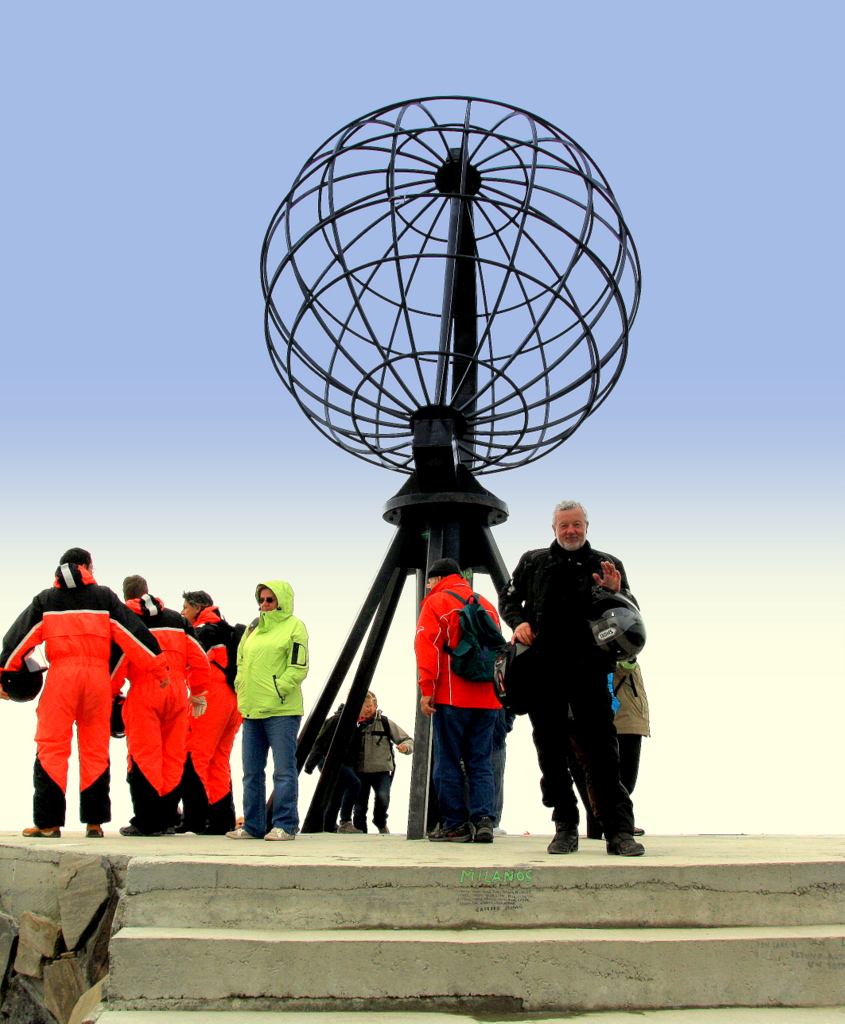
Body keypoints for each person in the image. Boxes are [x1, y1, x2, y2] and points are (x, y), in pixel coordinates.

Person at [499, 501, 645, 857]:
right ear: (554, 529)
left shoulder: (607, 564)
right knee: (550, 753)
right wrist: (518, 622)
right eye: (564, 525)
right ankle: (565, 826)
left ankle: (618, 831)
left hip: (590, 671)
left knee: (603, 752)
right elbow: (508, 600)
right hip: (543, 671)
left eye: (576, 524)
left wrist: (616, 591)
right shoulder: (533, 562)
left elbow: (630, 613)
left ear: (586, 526)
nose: (571, 531)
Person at [0, 548, 167, 838]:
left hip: (61, 679)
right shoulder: (104, 597)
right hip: (97, 680)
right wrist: (159, 668)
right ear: (88, 566)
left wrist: (4, 674)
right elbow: (133, 633)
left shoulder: (46, 600)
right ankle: (94, 823)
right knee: (95, 748)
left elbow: (18, 639)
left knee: (52, 746)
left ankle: (48, 824)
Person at [415, 557, 502, 844]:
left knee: (448, 760)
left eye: (430, 581)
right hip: (488, 696)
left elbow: (428, 646)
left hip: (452, 696)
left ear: (438, 579)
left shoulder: (436, 602)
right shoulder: (485, 603)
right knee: (480, 760)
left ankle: (455, 824)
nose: (428, 585)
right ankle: (484, 820)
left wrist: (427, 688)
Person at [116, 576, 211, 837]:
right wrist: (199, 691)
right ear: (147, 591)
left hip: (144, 691)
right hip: (178, 692)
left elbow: (120, 660)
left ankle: (146, 821)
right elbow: (200, 659)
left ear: (126, 596)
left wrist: (112, 694)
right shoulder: (177, 620)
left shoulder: (127, 620)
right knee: (173, 757)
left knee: (142, 756)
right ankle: (168, 818)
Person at [226, 580, 308, 842]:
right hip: (252, 710)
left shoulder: (295, 626)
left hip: (282, 711)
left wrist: (278, 689)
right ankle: (253, 826)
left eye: (269, 600)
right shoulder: (253, 627)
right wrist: (240, 685)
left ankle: (285, 825)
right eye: (261, 599)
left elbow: (298, 666)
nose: (264, 604)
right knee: (251, 773)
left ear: (281, 601)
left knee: (283, 772)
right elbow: (240, 660)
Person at [178, 590, 243, 834]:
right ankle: (221, 819)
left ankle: (194, 818)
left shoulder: (203, 631)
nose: (182, 612)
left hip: (210, 696)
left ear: (197, 608)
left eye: (185, 607)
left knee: (194, 754)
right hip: (234, 699)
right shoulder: (229, 631)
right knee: (219, 760)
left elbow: (192, 663)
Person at [568, 659, 650, 839]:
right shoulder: (606, 652)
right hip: (615, 719)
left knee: (620, 778)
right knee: (613, 778)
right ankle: (612, 824)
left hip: (626, 718)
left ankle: (607, 823)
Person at [351, 690, 413, 835]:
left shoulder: (385, 723)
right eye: (363, 706)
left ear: (376, 706)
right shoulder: (354, 724)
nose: (367, 710)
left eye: (369, 706)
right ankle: (360, 831)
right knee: (359, 806)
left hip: (381, 772)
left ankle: (380, 822)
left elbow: (407, 740)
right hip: (359, 772)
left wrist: (405, 748)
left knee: (383, 798)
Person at [303, 700, 364, 833]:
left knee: (336, 793)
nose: (367, 711)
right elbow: (321, 741)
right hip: (329, 760)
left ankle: (328, 826)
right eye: (366, 707)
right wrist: (310, 764)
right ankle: (345, 822)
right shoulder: (338, 720)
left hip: (339, 761)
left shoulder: (352, 721)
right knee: (354, 784)